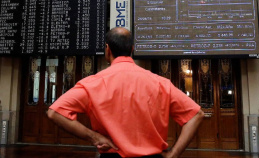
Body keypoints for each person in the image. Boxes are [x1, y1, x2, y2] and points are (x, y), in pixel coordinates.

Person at [47, 27, 204, 158]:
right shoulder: (160, 83)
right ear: (132, 50)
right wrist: (174, 154)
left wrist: (94, 137)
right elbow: (196, 115)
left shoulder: (92, 84)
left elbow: (54, 113)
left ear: (107, 49)